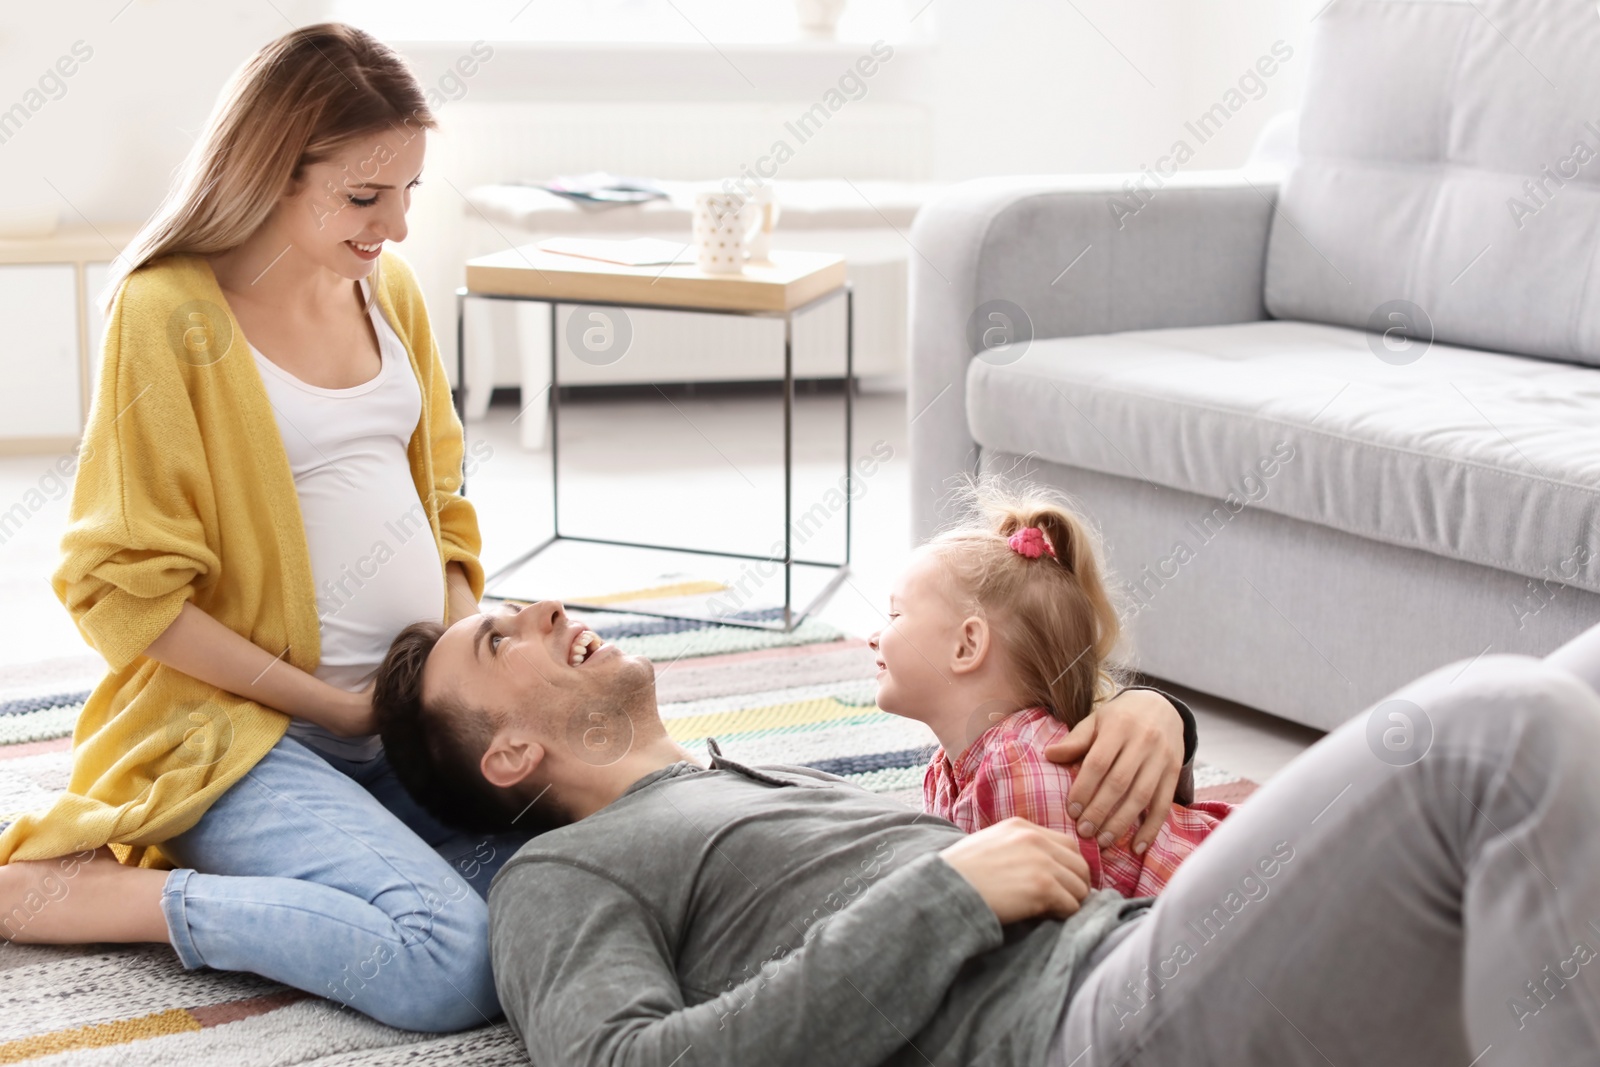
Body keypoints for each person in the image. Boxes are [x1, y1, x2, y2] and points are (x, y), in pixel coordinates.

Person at [373, 600, 1600, 1065]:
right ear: (508, 754)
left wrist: (1148, 717)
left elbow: (1007, 765)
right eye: (500, 642)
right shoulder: (559, 871)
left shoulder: (754, 776)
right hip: (1082, 1023)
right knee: (1500, 724)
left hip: (1176, 946)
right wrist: (946, 894)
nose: (541, 608)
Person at [0, 24, 526, 1032]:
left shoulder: (391, 291)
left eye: (410, 193)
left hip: (409, 723)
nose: (398, 227)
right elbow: (125, 588)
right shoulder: (167, 313)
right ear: (271, 174)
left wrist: (452, 668)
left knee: (576, 867)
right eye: (366, 198)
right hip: (246, 735)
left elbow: (446, 507)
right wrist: (329, 707)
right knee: (449, 962)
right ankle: (95, 898)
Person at [872, 485, 1230, 897]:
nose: (874, 636)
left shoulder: (1019, 764)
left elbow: (1063, 923)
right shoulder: (947, 770)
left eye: (895, 614)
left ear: (967, 645)